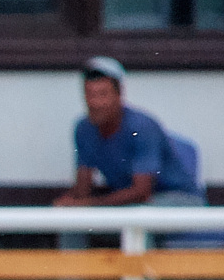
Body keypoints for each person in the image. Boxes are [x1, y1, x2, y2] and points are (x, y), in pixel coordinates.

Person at [52, 56, 206, 211]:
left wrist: (89, 204)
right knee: (71, 215)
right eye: (89, 94)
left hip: (177, 199)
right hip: (132, 203)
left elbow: (141, 192)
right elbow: (83, 190)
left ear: (119, 95)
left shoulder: (142, 127)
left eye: (103, 94)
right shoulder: (84, 129)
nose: (95, 103)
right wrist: (68, 204)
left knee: (142, 214)